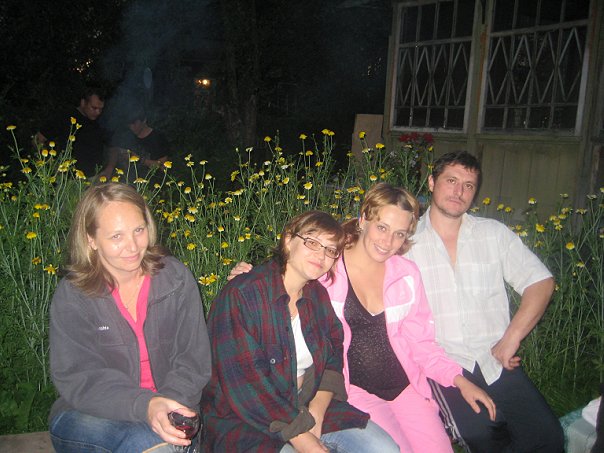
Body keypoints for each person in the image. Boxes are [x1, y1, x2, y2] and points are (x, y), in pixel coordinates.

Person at [228, 186, 496, 452]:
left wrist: (460, 380)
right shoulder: (328, 266)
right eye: (382, 227)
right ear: (363, 219)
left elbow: (422, 344)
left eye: (399, 234)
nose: (388, 241)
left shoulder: (406, 274)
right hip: (354, 390)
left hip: (406, 388)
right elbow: (291, 270)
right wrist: (250, 276)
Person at [203, 210, 401, 453]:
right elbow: (247, 387)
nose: (321, 255)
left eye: (330, 250)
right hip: (247, 418)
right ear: (288, 240)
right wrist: (304, 439)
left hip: (304, 402)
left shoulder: (317, 296)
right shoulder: (242, 295)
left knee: (384, 448)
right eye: (312, 242)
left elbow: (332, 356)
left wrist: (317, 411)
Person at [406, 150, 564, 452]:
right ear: (431, 182)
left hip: (495, 360)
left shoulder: (493, 235)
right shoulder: (407, 241)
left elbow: (541, 282)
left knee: (548, 437)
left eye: (468, 185)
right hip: (443, 365)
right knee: (483, 435)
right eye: (451, 180)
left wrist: (511, 338)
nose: (459, 191)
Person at [49, 183, 211, 453]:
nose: (133, 246)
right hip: (90, 413)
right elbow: (79, 378)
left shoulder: (175, 279)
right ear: (91, 239)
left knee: (161, 441)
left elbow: (193, 360)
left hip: (171, 405)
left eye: (139, 230)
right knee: (146, 442)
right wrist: (145, 406)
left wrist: (165, 408)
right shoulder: (74, 296)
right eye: (116, 236)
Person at [35, 85, 107, 178]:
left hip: (95, 178)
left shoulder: (101, 122)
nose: (98, 112)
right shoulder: (65, 117)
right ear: (83, 103)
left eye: (101, 109)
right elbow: (38, 139)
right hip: (69, 179)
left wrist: (108, 170)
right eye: (94, 108)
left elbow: (113, 146)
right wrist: (51, 164)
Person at [103, 103, 169, 181]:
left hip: (150, 183)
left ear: (144, 120)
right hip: (127, 181)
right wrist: (110, 167)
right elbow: (114, 149)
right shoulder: (126, 135)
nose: (131, 127)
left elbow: (162, 166)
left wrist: (140, 160)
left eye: (134, 123)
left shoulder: (158, 138)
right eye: (129, 124)